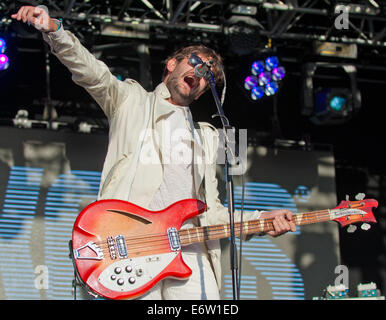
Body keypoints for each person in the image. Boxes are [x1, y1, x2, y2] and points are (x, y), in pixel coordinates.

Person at [11, 6, 297, 300]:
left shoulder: (208, 138)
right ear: (172, 64)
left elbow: (212, 213)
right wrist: (55, 31)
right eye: (197, 62)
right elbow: (91, 72)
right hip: (132, 246)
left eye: (209, 72)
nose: (202, 73)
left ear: (202, 91)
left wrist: (262, 219)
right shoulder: (132, 101)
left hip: (190, 250)